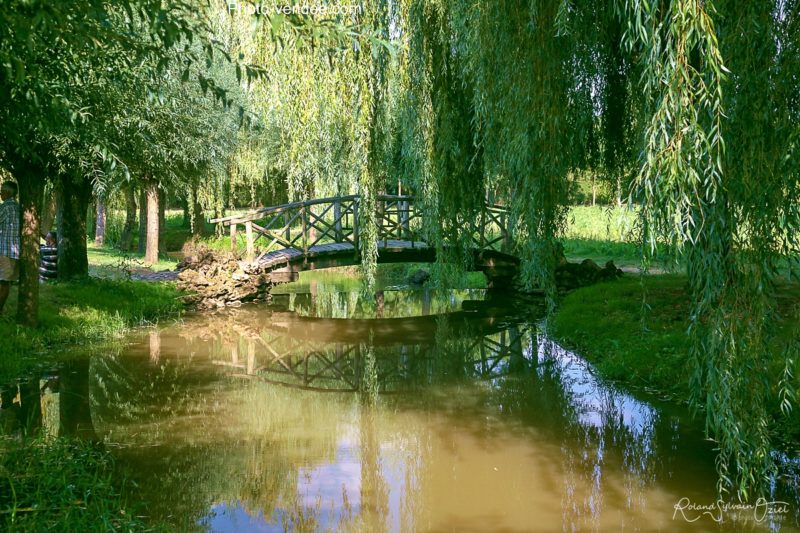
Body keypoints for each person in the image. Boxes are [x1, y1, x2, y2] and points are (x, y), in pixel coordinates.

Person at [0, 181, 20, 314]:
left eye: (1, 191)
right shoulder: (19, 207)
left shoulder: (5, 207)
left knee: (3, 283)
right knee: (5, 282)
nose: (0, 193)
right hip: (15, 252)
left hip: (4, 251)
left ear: (7, 193)